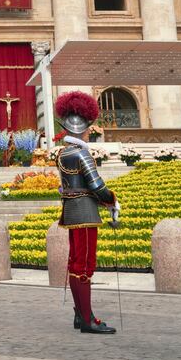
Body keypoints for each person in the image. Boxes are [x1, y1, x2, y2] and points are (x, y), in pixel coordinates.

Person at [53, 90, 118, 334]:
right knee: (85, 265)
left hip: (71, 211)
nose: (91, 131)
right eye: (89, 128)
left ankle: (80, 314)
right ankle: (88, 319)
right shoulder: (82, 153)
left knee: (75, 263)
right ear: (82, 128)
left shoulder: (63, 153)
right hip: (86, 213)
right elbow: (97, 186)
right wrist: (112, 200)